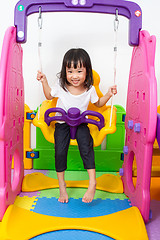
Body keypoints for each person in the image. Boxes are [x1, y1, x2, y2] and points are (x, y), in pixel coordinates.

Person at [37, 48, 117, 204]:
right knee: (60, 152)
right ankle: (62, 185)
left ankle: (92, 182)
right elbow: (48, 96)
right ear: (64, 71)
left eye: (79, 71)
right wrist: (44, 81)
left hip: (81, 123)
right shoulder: (61, 85)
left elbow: (98, 104)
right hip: (62, 123)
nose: (74, 76)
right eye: (70, 71)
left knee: (86, 148)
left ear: (87, 71)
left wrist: (109, 94)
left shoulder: (89, 89)